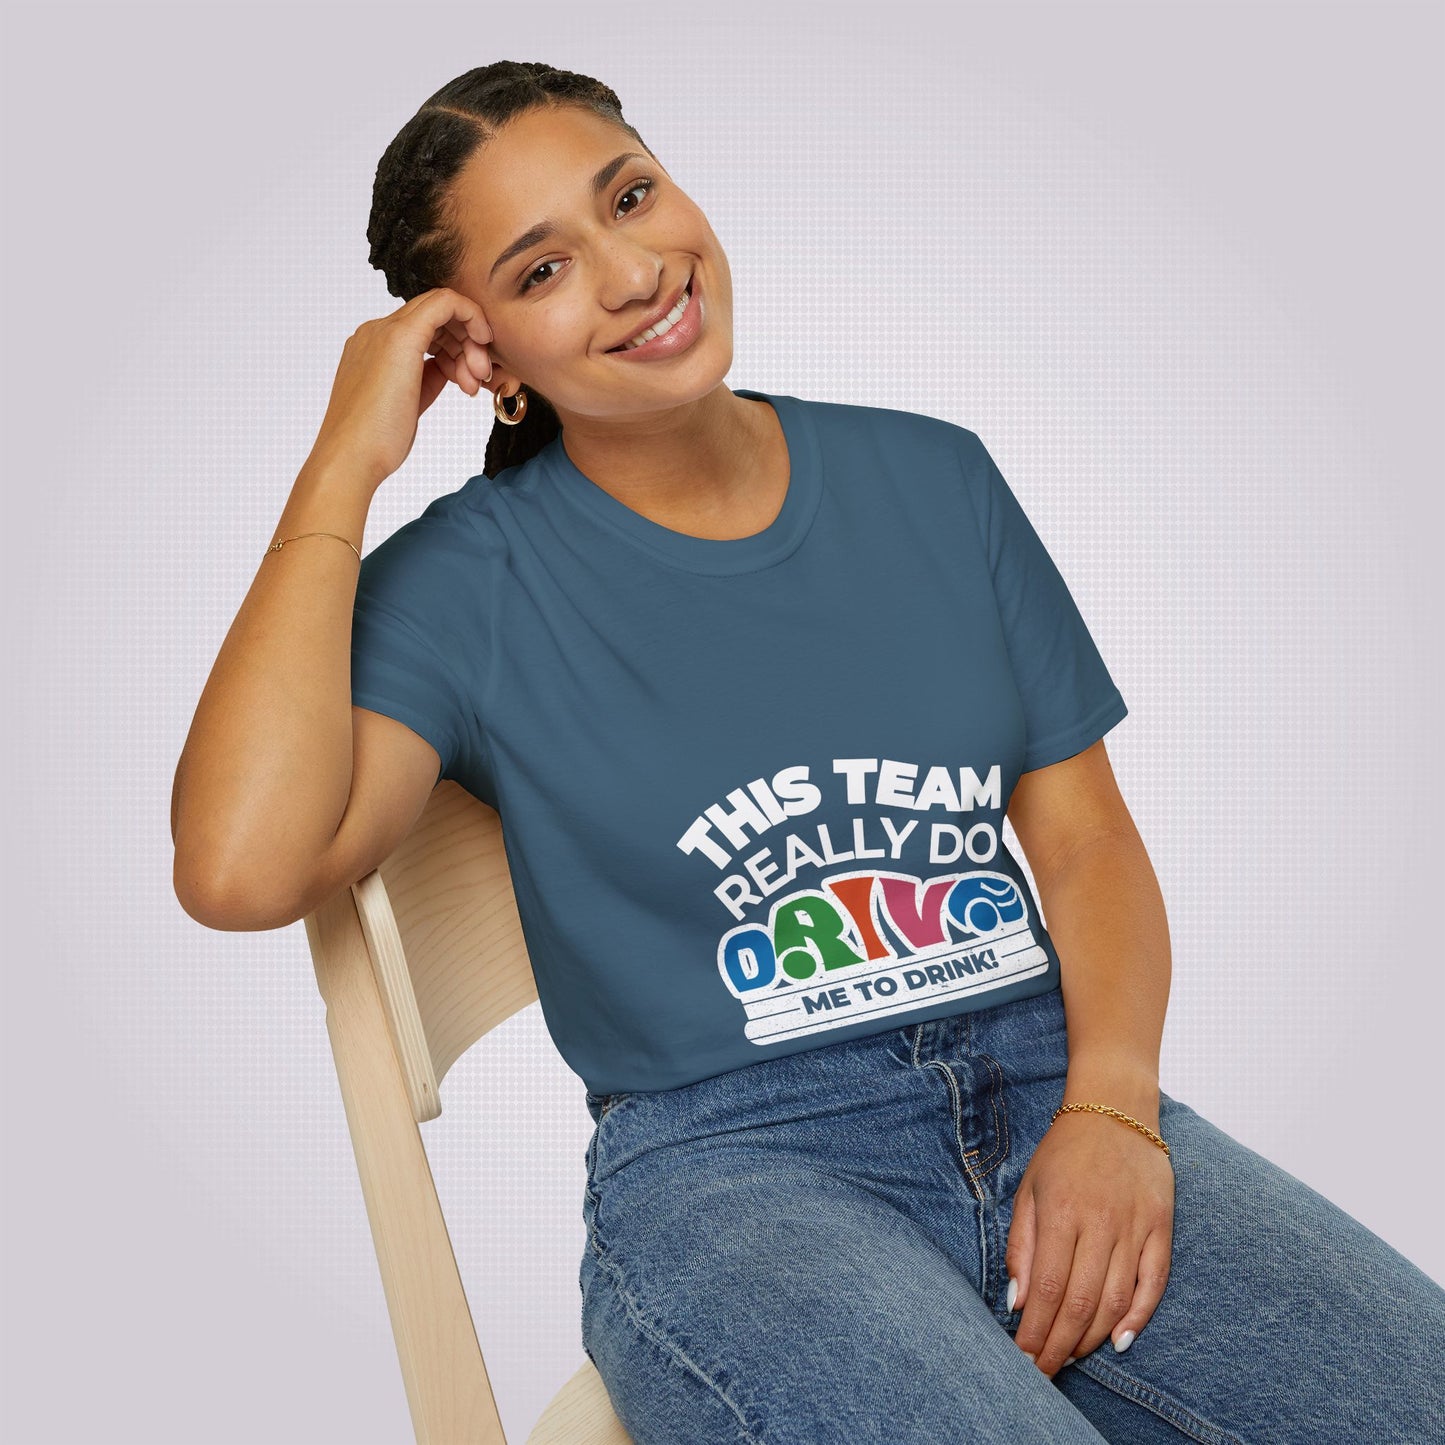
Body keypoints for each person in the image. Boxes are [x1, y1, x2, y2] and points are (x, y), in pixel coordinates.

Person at [171, 59, 1445, 1444]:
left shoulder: (934, 478)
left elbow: (1082, 844)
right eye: (541, 272)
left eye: (633, 196)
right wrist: (341, 463)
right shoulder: (466, 583)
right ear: (484, 358)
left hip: (1049, 1080)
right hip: (736, 1171)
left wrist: (1113, 1110)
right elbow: (240, 867)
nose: (633, 271)